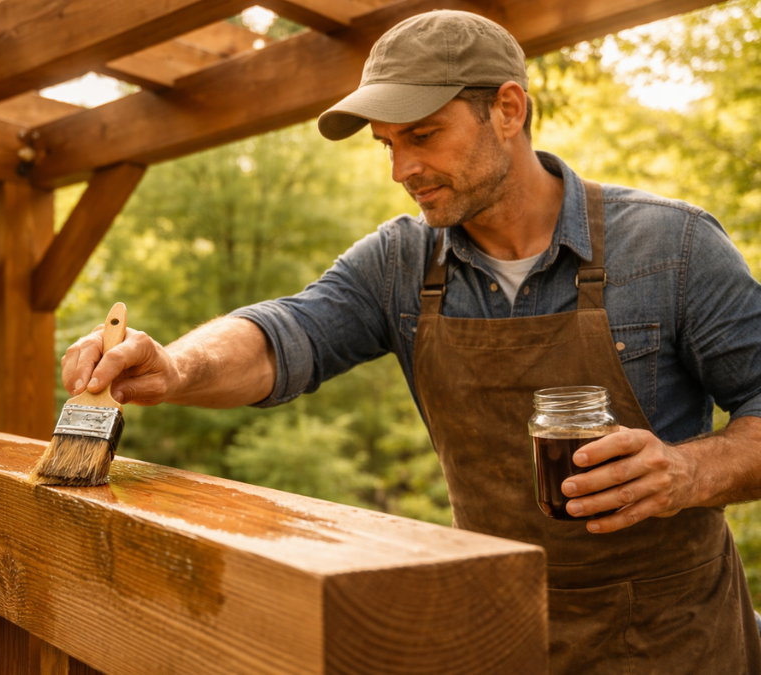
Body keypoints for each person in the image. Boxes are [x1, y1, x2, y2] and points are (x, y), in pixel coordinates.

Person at [60, 10, 761, 674]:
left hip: (674, 640)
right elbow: (286, 333)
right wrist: (177, 365)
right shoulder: (399, 263)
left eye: (422, 135)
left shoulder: (674, 247)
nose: (401, 171)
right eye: (388, 145)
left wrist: (688, 473)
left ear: (509, 110)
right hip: (495, 629)